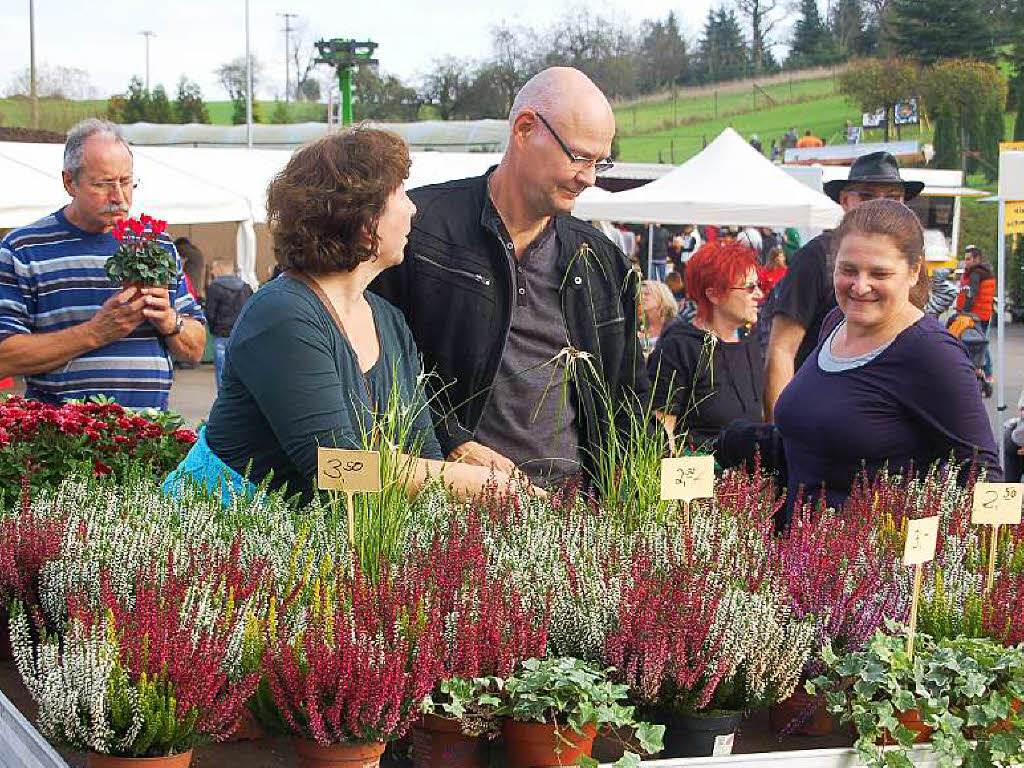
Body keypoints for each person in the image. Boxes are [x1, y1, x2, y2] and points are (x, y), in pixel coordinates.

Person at [167, 128, 526, 503]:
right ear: (361, 216)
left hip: (306, 547)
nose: (413, 208)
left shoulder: (387, 319)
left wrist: (467, 472)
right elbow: (336, 469)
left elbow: (424, 450)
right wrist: (475, 484)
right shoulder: (283, 314)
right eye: (400, 192)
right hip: (223, 540)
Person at [372, 66, 649, 490]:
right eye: (578, 157)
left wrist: (655, 498)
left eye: (600, 161)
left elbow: (630, 403)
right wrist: (449, 442)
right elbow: (371, 369)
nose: (590, 178)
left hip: (570, 516)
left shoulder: (602, 262)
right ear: (524, 129)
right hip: (444, 507)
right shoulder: (418, 230)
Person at [774, 200, 1001, 520]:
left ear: (913, 271)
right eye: (848, 269)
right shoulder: (835, 323)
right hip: (797, 554)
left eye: (879, 273)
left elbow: (984, 472)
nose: (860, 285)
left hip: (873, 561)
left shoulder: (931, 353)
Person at [0, 118, 206, 409]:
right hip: (65, 442)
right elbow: (4, 357)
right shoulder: (23, 250)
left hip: (150, 436)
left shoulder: (156, 245)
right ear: (69, 182)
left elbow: (196, 347)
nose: (119, 197)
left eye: (126, 182)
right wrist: (96, 332)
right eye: (103, 184)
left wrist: (169, 321)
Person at [763, 151, 924, 420]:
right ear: (845, 200)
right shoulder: (816, 256)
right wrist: (782, 434)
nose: (879, 205)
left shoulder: (908, 261)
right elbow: (782, 348)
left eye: (893, 197)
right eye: (867, 195)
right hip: (820, 414)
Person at [647, 240, 764, 455]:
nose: (759, 294)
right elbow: (663, 430)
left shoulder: (752, 342)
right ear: (714, 294)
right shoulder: (680, 346)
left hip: (752, 480)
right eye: (749, 287)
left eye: (759, 286)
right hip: (697, 479)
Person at [204, 260, 253, 389]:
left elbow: (210, 312)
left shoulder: (214, 287)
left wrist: (214, 329)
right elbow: (251, 310)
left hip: (221, 335)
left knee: (222, 374)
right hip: (241, 335)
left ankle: (224, 401)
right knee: (241, 373)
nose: (211, 272)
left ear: (219, 269)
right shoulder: (245, 287)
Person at [956, 244, 996, 382]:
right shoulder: (985, 271)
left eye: (968, 259)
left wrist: (965, 311)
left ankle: (987, 372)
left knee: (978, 344)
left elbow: (972, 294)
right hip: (985, 314)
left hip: (975, 315)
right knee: (981, 343)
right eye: (965, 259)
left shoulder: (975, 273)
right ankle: (985, 373)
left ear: (976, 259)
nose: (966, 262)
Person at [639, 280, 678, 355]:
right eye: (639, 294)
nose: (642, 297)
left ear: (661, 297)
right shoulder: (637, 325)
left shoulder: (674, 326)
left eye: (646, 294)